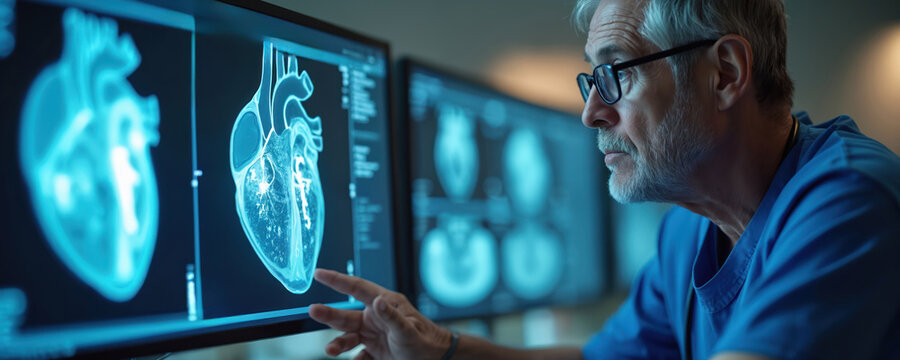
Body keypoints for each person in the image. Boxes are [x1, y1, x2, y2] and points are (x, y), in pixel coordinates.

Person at [309, 0, 900, 358]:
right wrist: (441, 349)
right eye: (591, 81)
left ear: (724, 74)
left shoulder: (848, 201)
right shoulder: (688, 234)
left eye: (616, 74)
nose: (592, 112)